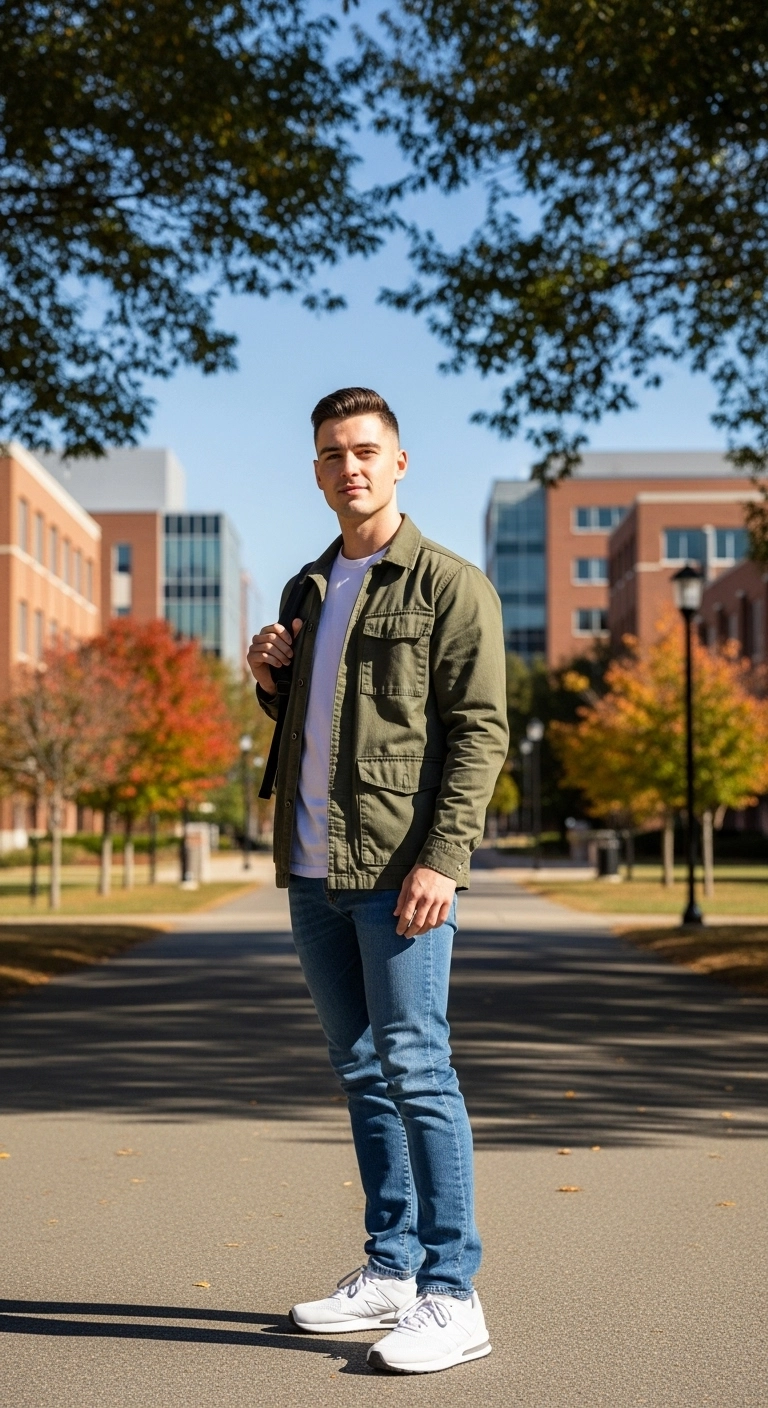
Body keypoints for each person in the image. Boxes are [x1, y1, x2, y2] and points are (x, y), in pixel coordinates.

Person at [247, 387, 508, 1375]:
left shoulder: (449, 585)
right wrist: (270, 681)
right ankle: (392, 1269)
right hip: (313, 867)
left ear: (399, 462)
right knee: (361, 1068)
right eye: (331, 453)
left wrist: (445, 858)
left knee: (418, 1066)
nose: (348, 466)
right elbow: (318, 726)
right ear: (316, 472)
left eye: (364, 450)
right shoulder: (308, 586)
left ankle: (453, 1293)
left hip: (401, 869)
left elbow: (478, 735)